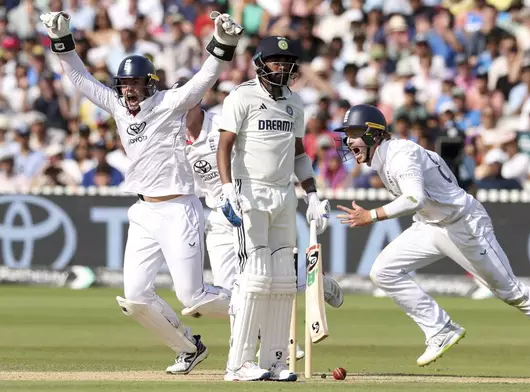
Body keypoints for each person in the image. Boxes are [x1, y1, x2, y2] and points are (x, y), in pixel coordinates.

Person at [39, 10, 244, 374]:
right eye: (124, 84)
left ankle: (256, 303)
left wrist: (224, 43)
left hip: (180, 208)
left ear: (150, 84)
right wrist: (62, 40)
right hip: (144, 212)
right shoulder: (118, 107)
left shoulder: (169, 103)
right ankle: (188, 347)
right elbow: (79, 77)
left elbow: (202, 81)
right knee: (134, 297)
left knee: (193, 297)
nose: (128, 90)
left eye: (135, 83)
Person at [334, 104, 530, 386]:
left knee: (511, 292)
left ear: (374, 134)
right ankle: (440, 328)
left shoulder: (401, 154)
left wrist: (371, 215)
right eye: (347, 134)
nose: (349, 141)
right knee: (382, 271)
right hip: (430, 225)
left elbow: (413, 199)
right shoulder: (387, 157)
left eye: (355, 133)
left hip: (465, 225)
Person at [177, 79, 344, 369]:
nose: (179, 111)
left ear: (197, 101)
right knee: (232, 290)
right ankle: (266, 347)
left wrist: (306, 191)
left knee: (264, 279)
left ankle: (312, 283)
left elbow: (278, 151)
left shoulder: (224, 120)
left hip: (249, 204)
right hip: (218, 215)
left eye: (186, 103)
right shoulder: (174, 138)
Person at [217, 36, 331, 382]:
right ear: (261, 63)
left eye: (288, 61)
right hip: (250, 191)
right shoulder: (241, 97)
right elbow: (224, 146)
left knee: (283, 280)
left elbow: (298, 154)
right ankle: (238, 365)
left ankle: (276, 361)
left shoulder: (295, 103)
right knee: (255, 279)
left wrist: (311, 194)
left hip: (285, 194)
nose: (283, 67)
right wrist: (227, 189)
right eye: (276, 61)